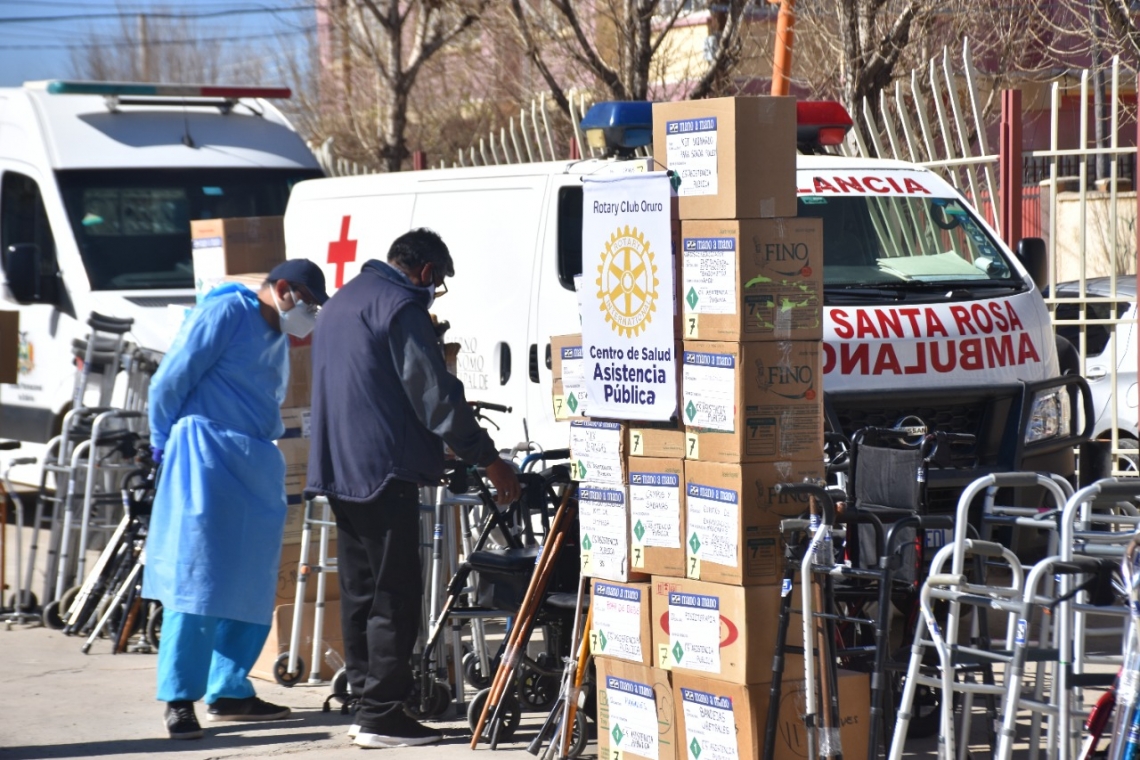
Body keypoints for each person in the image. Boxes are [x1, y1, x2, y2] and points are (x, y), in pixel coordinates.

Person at [306, 228, 520, 749]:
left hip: (339, 466)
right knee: (394, 593)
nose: (436, 291)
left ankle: (365, 704)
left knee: (360, 590)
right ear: (426, 272)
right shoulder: (399, 306)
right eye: (439, 282)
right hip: (384, 470)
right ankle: (383, 716)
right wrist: (489, 461)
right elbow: (435, 396)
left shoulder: (342, 301)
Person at [144, 259, 329, 740]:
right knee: (197, 583)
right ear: (283, 289)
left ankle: (228, 689)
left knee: (251, 580)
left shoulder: (276, 333)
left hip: (252, 461)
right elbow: (170, 380)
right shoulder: (227, 312)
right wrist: (160, 439)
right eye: (306, 301)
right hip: (204, 454)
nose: (309, 312)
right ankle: (180, 698)